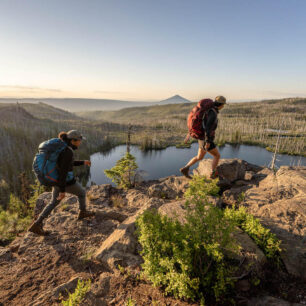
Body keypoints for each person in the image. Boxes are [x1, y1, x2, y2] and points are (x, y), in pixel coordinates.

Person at [28, 130, 95, 235]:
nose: (80, 142)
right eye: (79, 141)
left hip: (56, 180)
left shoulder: (62, 148)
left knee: (53, 202)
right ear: (73, 140)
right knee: (81, 192)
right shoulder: (67, 151)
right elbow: (64, 171)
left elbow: (66, 164)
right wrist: (62, 190)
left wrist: (83, 162)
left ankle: (37, 224)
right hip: (65, 182)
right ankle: (83, 212)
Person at [180, 96, 226, 179]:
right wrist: (208, 141)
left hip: (201, 138)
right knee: (217, 156)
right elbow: (208, 128)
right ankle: (213, 173)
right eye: (223, 105)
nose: (223, 106)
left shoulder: (208, 110)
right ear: (221, 105)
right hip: (206, 139)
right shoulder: (213, 112)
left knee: (199, 157)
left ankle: (185, 168)